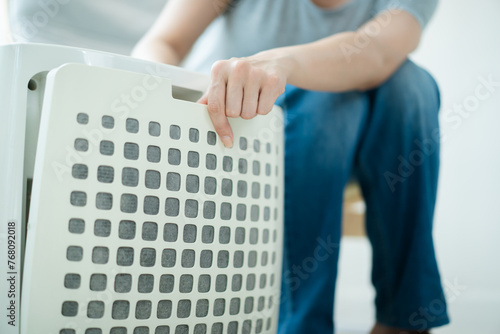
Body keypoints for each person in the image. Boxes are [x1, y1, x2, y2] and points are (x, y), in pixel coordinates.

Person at [133, 0, 450, 333]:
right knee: (329, 101)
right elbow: (164, 41)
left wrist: (282, 62)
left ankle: (403, 320)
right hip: (229, 138)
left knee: (410, 84)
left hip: (347, 150)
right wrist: (162, 106)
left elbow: (379, 52)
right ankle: (301, 323)